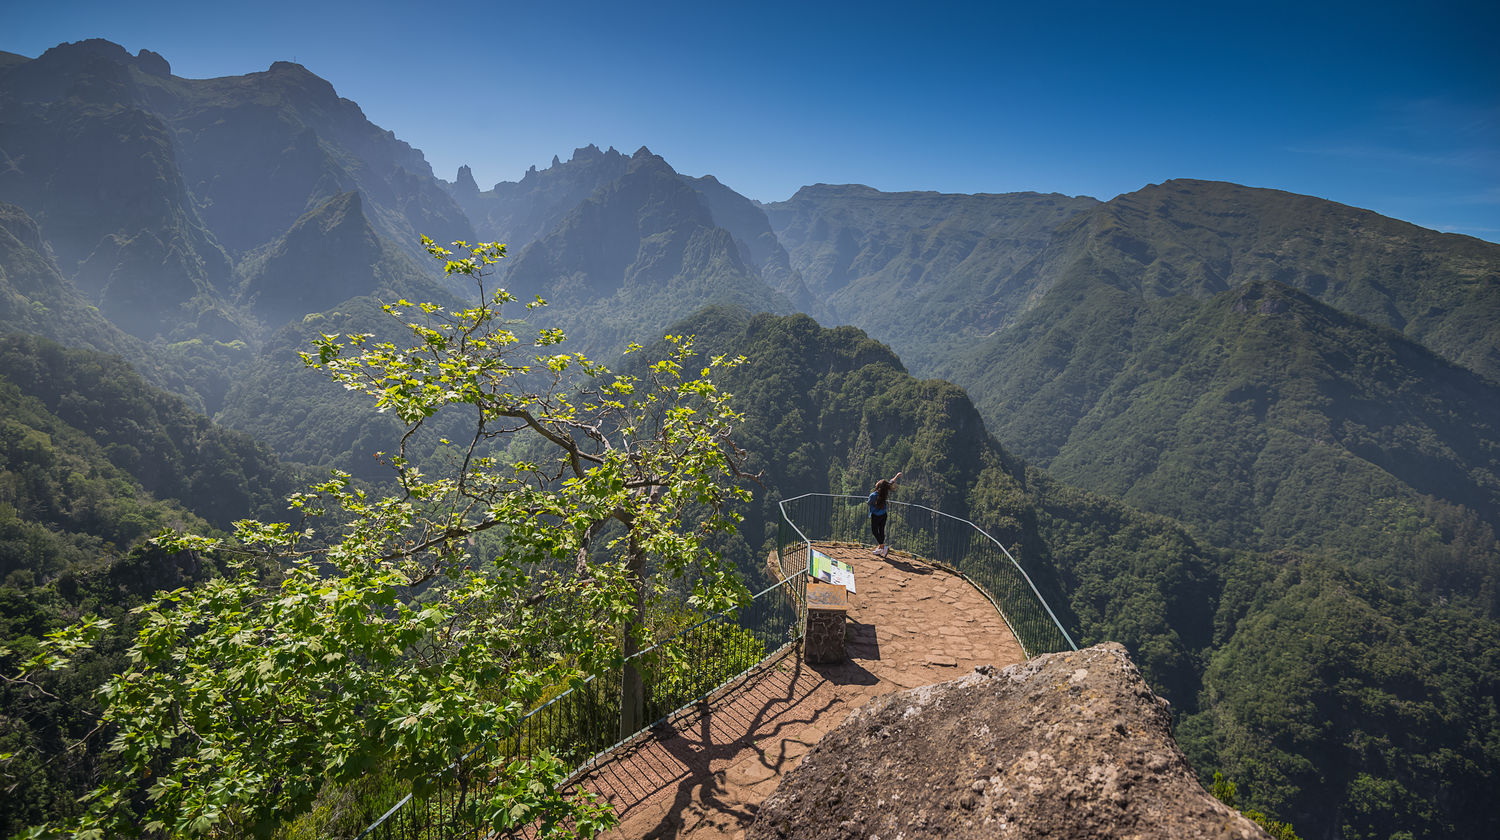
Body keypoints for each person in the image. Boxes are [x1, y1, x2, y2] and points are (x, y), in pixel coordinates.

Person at [868, 471, 901, 557]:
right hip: (883, 515)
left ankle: (883, 547)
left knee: (875, 531)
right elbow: (890, 482)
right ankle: (880, 549)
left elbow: (869, 503)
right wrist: (896, 476)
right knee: (881, 530)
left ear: (878, 485)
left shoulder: (873, 495)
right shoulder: (884, 492)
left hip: (875, 516)